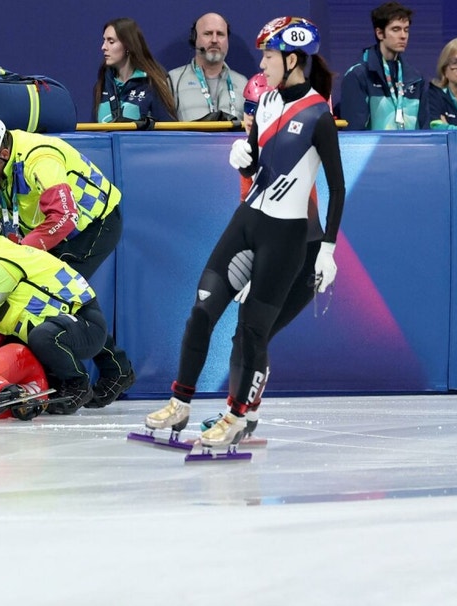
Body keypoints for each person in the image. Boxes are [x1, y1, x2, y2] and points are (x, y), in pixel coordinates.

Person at [145, 17, 345, 449]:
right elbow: (260, 164)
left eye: (269, 55)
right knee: (202, 309)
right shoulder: (267, 100)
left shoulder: (318, 114)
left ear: (292, 60)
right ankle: (180, 403)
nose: (261, 62)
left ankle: (238, 416)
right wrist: (246, 160)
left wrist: (328, 248)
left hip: (287, 235)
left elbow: (337, 185)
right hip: (247, 221)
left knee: (253, 330)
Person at [0, 112, 136, 408]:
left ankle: (114, 371)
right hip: (55, 232)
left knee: (61, 299)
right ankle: (84, 373)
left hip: (93, 224)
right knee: (42, 299)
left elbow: (65, 216)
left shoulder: (40, 159)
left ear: (3, 153)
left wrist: (22, 255)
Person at [200, 71, 330, 439]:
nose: (254, 119)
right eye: (250, 111)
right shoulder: (251, 152)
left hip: (303, 257)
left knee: (251, 335)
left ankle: (243, 416)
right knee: (246, 336)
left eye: (262, 110)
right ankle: (241, 414)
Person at [0, 204, 130, 414]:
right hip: (74, 324)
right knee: (20, 342)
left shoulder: (1, 263)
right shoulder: (4, 256)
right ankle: (87, 377)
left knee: (41, 337)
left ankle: (78, 384)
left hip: (84, 326)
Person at [340, 2, 424, 130]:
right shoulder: (358, 76)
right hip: (374, 150)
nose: (403, 36)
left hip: (411, 150)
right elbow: (353, 133)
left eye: (406, 30)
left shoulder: (415, 79)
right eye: (396, 29)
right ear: (380, 33)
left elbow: (426, 131)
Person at [93, 16, 176, 125]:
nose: (103, 47)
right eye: (104, 40)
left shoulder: (152, 84)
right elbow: (94, 130)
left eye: (111, 41)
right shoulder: (102, 84)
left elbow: (168, 130)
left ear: (127, 45)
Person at [167, 12, 247, 123]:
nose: (214, 40)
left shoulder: (243, 83)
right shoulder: (173, 80)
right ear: (194, 39)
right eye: (208, 34)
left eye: (220, 34)